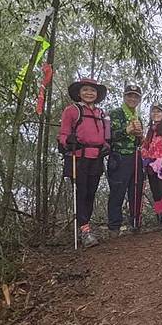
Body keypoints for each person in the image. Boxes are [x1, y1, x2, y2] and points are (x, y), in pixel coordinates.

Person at [58, 78, 110, 248]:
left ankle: (86, 226)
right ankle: (84, 230)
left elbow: (106, 135)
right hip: (78, 157)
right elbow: (63, 134)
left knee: (90, 193)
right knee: (81, 192)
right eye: (86, 90)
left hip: (96, 158)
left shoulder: (101, 113)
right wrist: (68, 141)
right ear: (79, 92)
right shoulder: (72, 110)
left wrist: (106, 146)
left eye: (93, 91)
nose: (89, 93)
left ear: (97, 94)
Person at [106, 85, 144, 237]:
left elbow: (140, 141)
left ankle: (135, 223)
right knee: (117, 191)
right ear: (124, 97)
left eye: (135, 97)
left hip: (135, 157)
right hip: (119, 157)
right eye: (129, 96)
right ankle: (114, 226)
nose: (132, 99)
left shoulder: (138, 117)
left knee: (136, 190)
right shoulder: (115, 113)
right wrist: (126, 130)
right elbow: (109, 136)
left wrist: (140, 136)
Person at [141, 103, 162, 231]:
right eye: (153, 112)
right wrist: (145, 158)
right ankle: (160, 220)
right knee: (155, 192)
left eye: (158, 112)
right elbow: (144, 146)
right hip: (150, 165)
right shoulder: (150, 130)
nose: (156, 114)